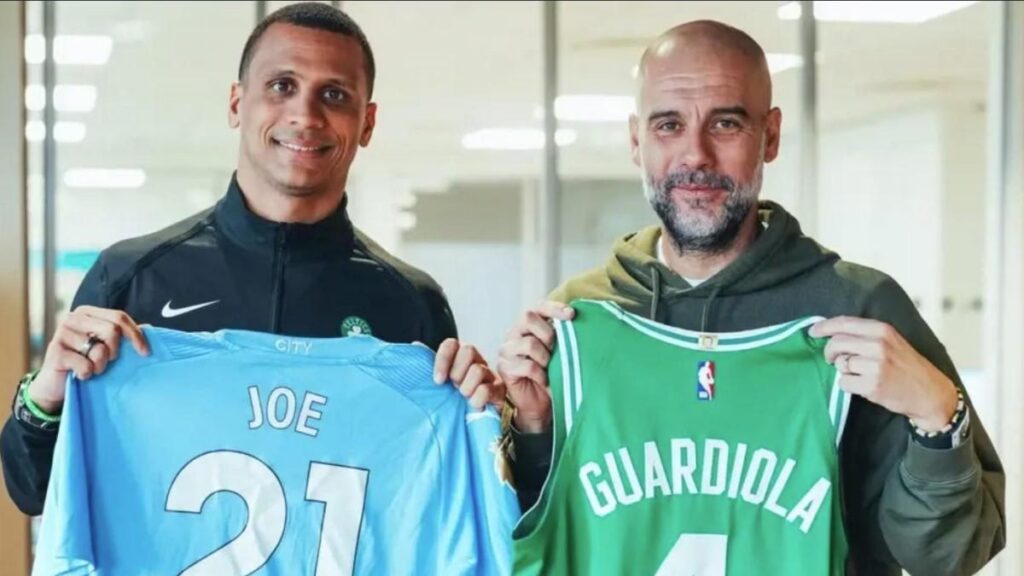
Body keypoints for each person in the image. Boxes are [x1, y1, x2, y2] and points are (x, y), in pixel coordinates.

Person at [493, 20, 1006, 576]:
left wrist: (938, 415)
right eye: (669, 125)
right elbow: (545, 532)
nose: (696, 155)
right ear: (637, 141)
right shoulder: (580, 315)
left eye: (726, 123)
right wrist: (533, 430)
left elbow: (950, 557)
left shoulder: (856, 310)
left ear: (771, 135)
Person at [1, 2, 503, 517]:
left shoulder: (412, 304)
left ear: (367, 122)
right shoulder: (130, 279)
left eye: (334, 94)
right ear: (237, 103)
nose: (305, 116)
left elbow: (452, 503)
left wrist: (497, 426)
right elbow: (32, 491)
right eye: (282, 86)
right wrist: (47, 394)